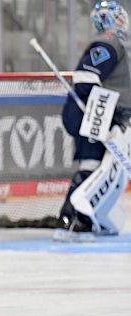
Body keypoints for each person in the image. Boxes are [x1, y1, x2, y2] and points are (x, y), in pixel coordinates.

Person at [56, 1, 131, 241]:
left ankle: (86, 218)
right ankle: (72, 219)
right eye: (115, 17)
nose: (122, 20)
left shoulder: (119, 45)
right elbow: (86, 80)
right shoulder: (108, 44)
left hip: (105, 116)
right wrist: (103, 116)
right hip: (91, 115)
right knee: (91, 166)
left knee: (103, 169)